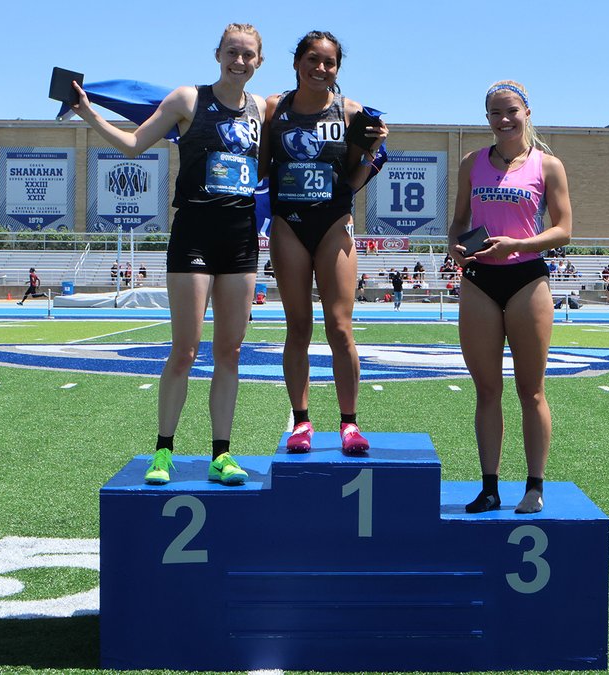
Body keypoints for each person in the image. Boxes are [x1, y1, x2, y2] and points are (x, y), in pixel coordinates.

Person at [72, 23, 267, 485]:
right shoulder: (188, 99)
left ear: (260, 62)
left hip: (240, 239)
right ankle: (163, 451)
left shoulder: (264, 108)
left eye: (248, 55)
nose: (239, 61)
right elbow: (135, 143)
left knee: (231, 351)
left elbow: (312, 121)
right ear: (218, 54)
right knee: (184, 349)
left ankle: (222, 454)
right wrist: (88, 113)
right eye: (232, 53)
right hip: (194, 234)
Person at [448, 80, 572, 515]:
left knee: (531, 390)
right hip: (480, 279)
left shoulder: (547, 165)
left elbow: (563, 229)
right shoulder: (471, 162)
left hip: (526, 281)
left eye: (512, 111)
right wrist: (454, 248)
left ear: (527, 112)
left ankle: (535, 486)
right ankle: (489, 486)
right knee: (487, 390)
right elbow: (459, 220)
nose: (504, 120)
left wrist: (517, 246)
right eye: (495, 113)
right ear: (487, 118)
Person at [262, 30, 388, 455]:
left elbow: (351, 179)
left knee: (340, 327)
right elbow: (260, 166)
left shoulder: (352, 112)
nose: (321, 68)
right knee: (298, 327)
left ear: (337, 68)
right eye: (313, 59)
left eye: (329, 62)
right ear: (297, 62)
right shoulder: (272, 108)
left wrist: (373, 155)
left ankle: (349, 424)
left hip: (333, 222)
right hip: (288, 223)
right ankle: (301, 422)